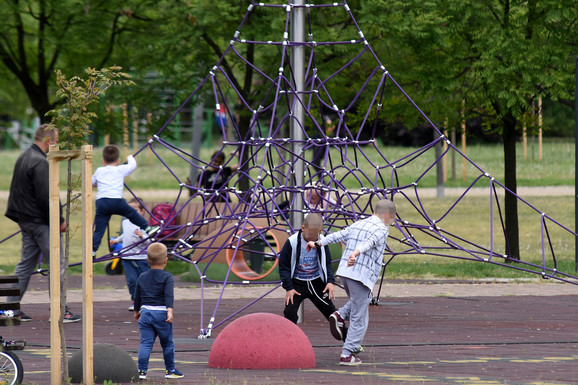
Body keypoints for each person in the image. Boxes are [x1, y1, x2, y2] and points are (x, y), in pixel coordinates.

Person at [4, 125, 81, 322]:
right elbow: (46, 197)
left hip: (25, 218)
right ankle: (60, 310)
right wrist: (60, 220)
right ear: (48, 141)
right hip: (40, 221)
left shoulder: (24, 156)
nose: (56, 145)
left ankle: (10, 309)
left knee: (25, 264)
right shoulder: (40, 162)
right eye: (55, 141)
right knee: (58, 264)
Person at [306, 198, 396, 366]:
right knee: (360, 316)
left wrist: (317, 243)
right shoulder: (382, 228)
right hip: (360, 275)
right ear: (386, 215)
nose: (393, 222)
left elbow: (338, 235)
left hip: (345, 273)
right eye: (393, 218)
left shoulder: (359, 224)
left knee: (361, 300)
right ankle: (348, 354)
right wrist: (355, 253)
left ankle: (339, 315)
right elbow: (370, 242)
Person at [92, 145, 157, 255]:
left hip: (102, 202)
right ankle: (146, 228)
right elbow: (133, 165)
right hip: (116, 201)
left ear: (103, 161)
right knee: (131, 213)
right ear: (118, 160)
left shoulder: (99, 170)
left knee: (99, 228)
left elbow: (92, 183)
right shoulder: (120, 169)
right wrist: (130, 157)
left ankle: (93, 251)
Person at [278, 213, 339, 327]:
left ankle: (349, 341)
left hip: (316, 282)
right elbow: (284, 266)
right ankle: (292, 340)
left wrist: (330, 281)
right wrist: (289, 288)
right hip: (297, 284)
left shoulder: (322, 241)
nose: (312, 241)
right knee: (289, 313)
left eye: (315, 238)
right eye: (310, 237)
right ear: (303, 228)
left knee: (332, 314)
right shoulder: (292, 242)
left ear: (320, 231)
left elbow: (327, 263)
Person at [134, 242, 184, 380]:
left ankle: (142, 371)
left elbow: (137, 296)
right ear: (165, 260)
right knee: (167, 343)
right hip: (161, 314)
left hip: (145, 313)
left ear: (147, 260)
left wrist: (136, 311)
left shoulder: (142, 276)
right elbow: (168, 295)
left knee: (145, 343)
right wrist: (170, 311)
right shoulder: (167, 277)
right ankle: (170, 370)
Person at [109, 197, 150, 312]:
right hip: (127, 256)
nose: (132, 213)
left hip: (141, 257)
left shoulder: (144, 225)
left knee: (142, 280)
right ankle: (135, 300)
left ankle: (145, 300)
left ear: (142, 211)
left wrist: (143, 236)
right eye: (129, 209)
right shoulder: (125, 222)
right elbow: (125, 235)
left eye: (135, 210)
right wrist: (117, 240)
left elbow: (150, 240)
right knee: (131, 280)